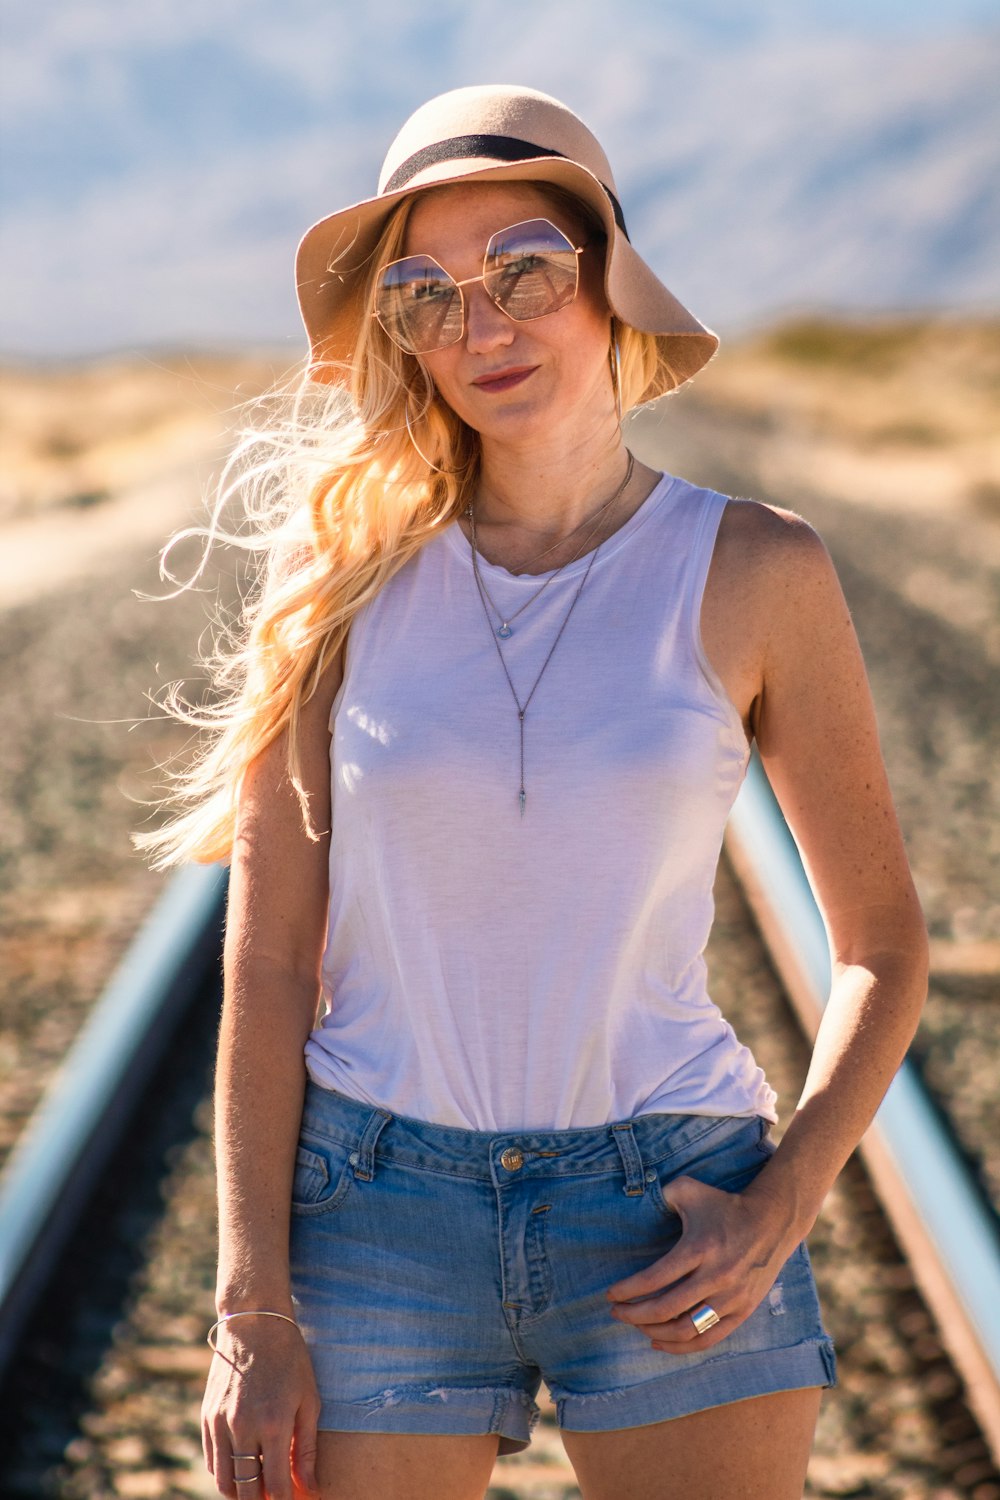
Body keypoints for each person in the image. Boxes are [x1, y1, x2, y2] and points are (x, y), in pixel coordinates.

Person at [142, 85, 928, 1500]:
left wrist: (785, 1198)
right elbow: (265, 965)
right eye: (429, 295)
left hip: (668, 1202)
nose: (481, 328)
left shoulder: (757, 569)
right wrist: (248, 1307)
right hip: (376, 1208)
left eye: (525, 274)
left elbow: (880, 942)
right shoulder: (337, 585)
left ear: (609, 281)